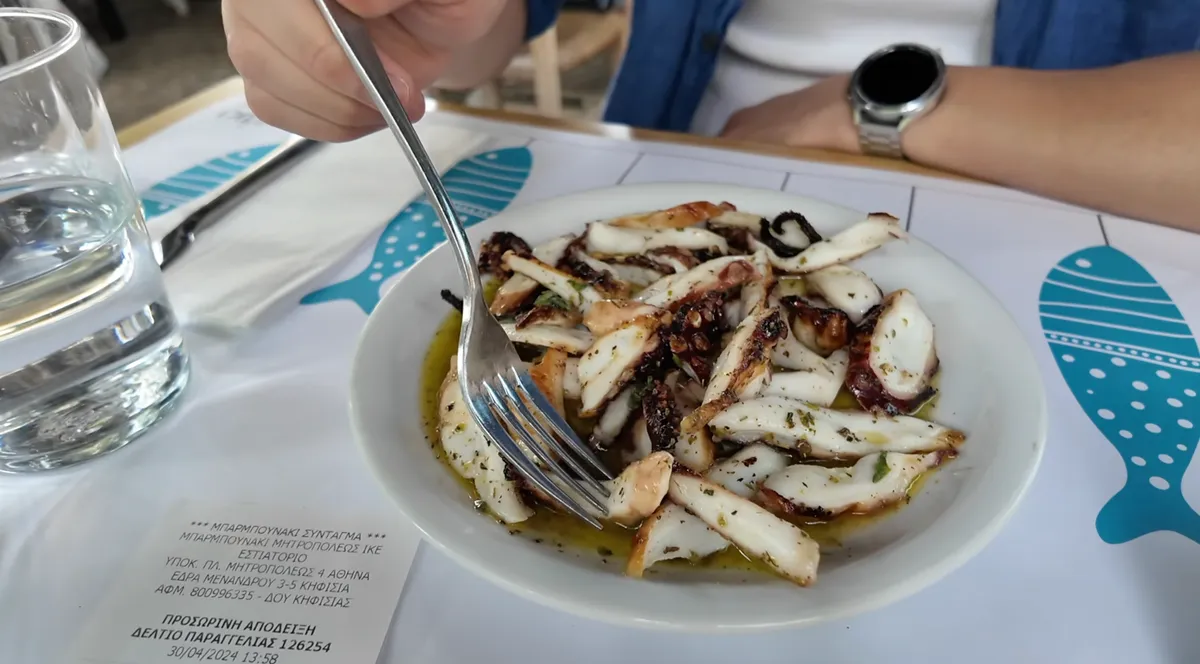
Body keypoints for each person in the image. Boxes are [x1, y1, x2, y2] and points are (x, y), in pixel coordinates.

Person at [220, 0, 1200, 231]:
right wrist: (410, 33)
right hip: (673, 187)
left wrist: (872, 110)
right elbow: (486, 26)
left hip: (1073, 218)